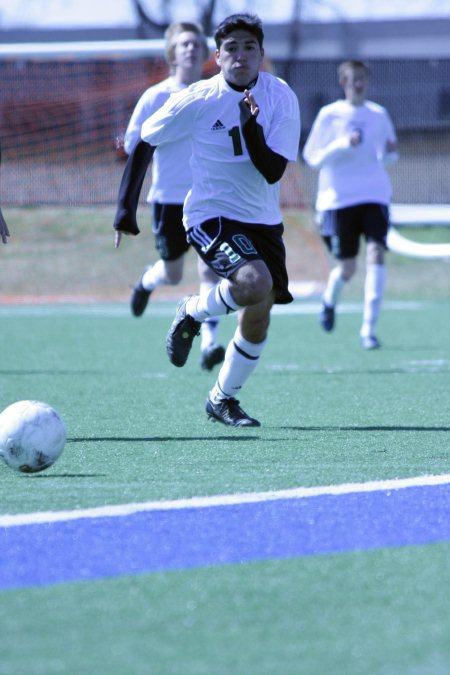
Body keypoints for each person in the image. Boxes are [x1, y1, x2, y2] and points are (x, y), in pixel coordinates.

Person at [138, 12, 301, 427]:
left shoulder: (281, 97)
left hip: (263, 220)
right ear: (218, 55)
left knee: (258, 314)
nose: (241, 55)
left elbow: (273, 171)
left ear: (262, 54)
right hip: (209, 214)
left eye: (250, 47)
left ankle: (221, 399)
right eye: (232, 48)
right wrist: (124, 211)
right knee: (253, 283)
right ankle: (193, 310)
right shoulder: (199, 96)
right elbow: (145, 136)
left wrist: (250, 128)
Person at [121, 21, 225, 372]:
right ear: (172, 52)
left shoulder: (215, 92)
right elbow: (133, 144)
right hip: (168, 199)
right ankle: (146, 281)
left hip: (209, 198)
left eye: (197, 43)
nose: (191, 49)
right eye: (184, 44)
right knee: (173, 274)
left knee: (211, 269)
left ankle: (210, 342)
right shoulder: (156, 96)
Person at [302, 60, 398, 350]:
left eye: (362, 79)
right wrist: (343, 144)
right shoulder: (330, 115)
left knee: (376, 253)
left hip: (374, 195)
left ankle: (368, 330)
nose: (358, 84)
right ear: (343, 83)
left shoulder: (379, 114)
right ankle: (329, 300)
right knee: (347, 268)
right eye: (353, 79)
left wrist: (390, 153)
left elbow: (388, 155)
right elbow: (312, 158)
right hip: (338, 200)